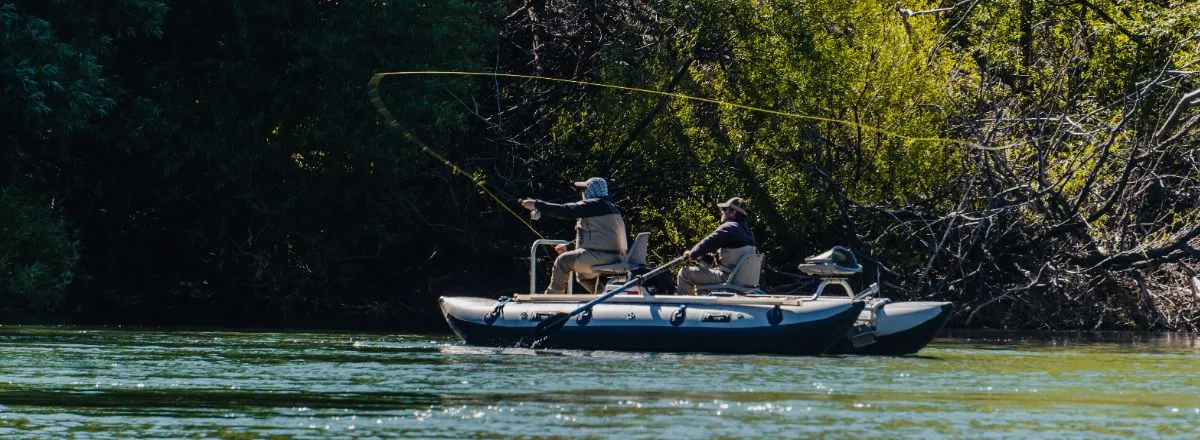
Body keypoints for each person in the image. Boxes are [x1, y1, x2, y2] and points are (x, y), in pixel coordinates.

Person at [520, 177, 628, 294]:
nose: (583, 193)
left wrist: (536, 204)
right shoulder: (611, 207)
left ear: (591, 190)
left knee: (563, 261)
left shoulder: (593, 205)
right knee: (584, 276)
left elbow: (566, 210)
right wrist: (569, 246)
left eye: (584, 190)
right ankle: (604, 295)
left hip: (603, 257)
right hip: (616, 258)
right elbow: (598, 237)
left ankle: (552, 297)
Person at [677, 197, 757, 295]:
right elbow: (729, 261)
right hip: (741, 281)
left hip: (727, 278)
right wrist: (701, 257)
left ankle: (689, 303)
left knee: (685, 273)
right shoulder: (749, 233)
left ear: (733, 212)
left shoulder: (730, 227)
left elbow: (707, 243)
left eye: (724, 209)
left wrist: (692, 254)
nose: (722, 212)